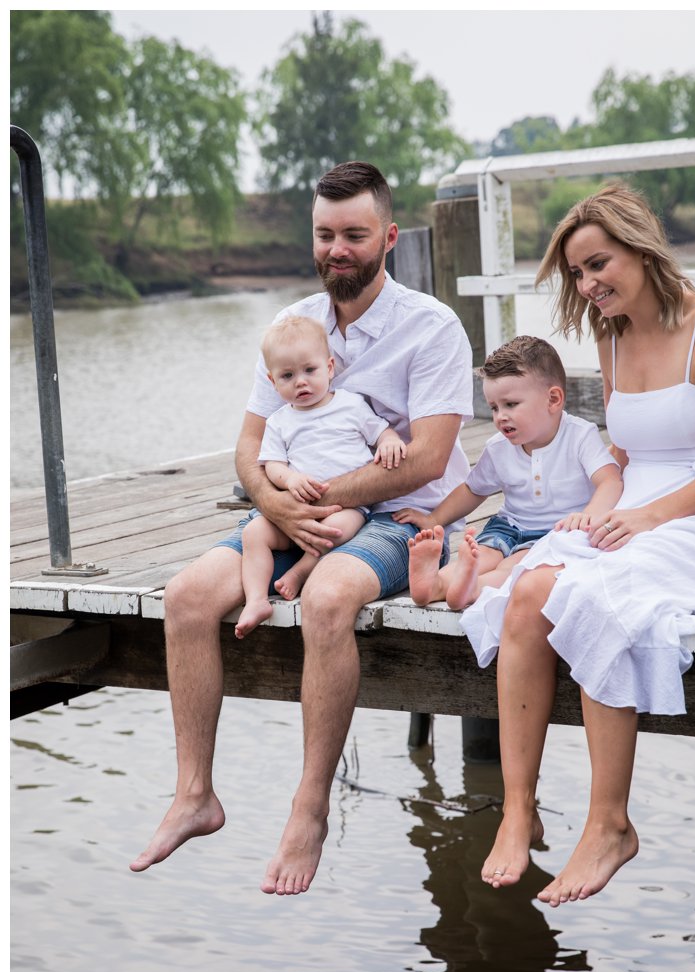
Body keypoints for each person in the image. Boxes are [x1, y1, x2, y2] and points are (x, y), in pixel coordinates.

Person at [130, 161, 475, 895]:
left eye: (354, 234)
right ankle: (196, 793)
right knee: (187, 596)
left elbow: (428, 460)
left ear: (387, 236)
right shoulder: (293, 330)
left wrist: (310, 503)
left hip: (398, 517)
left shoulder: (431, 327)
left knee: (324, 602)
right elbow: (249, 450)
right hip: (295, 508)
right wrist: (276, 503)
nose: (337, 250)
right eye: (325, 235)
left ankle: (309, 807)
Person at [457, 184, 695, 905]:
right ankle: (519, 809)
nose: (588, 285)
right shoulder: (611, 331)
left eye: (598, 264)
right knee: (530, 588)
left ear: (641, 247)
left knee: (597, 595)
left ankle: (609, 825)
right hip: (631, 509)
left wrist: (652, 517)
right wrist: (594, 510)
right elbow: (623, 456)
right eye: (576, 273)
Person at [396, 335, 622, 611]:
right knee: (482, 553)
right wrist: (434, 518)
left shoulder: (579, 436)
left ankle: (470, 588)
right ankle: (436, 584)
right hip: (507, 526)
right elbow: (472, 490)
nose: (500, 416)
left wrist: (591, 514)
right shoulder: (498, 448)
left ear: (553, 399)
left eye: (511, 405)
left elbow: (610, 480)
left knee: (512, 567)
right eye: (494, 407)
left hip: (551, 533)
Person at [235, 316, 408, 638]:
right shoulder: (279, 421)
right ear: (273, 382)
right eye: (288, 376)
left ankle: (301, 571)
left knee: (338, 530)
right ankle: (256, 599)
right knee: (254, 533)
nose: (300, 382)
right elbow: (271, 464)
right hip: (293, 511)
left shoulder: (351, 405)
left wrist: (390, 442)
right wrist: (289, 479)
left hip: (344, 508)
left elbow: (380, 431)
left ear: (329, 368)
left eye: (309, 371)